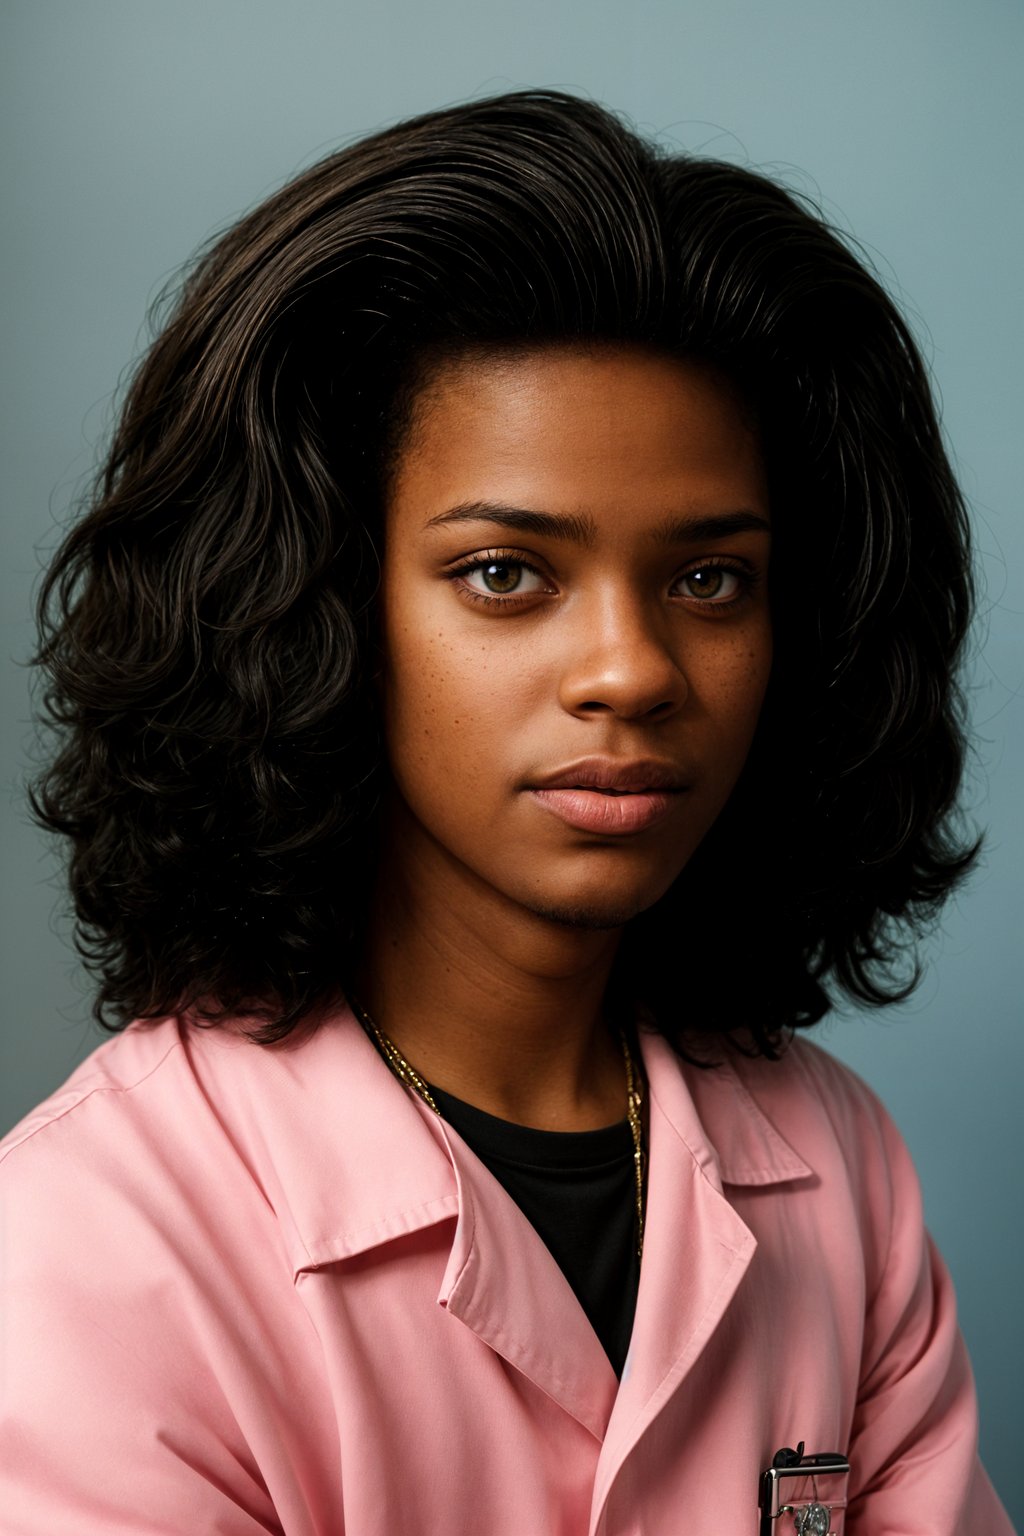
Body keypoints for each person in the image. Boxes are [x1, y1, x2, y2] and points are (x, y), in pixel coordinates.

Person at [0, 89, 1014, 1534]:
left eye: (709, 578)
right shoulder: (85, 1246)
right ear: (313, 609)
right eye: (506, 574)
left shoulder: (839, 1164)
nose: (635, 670)